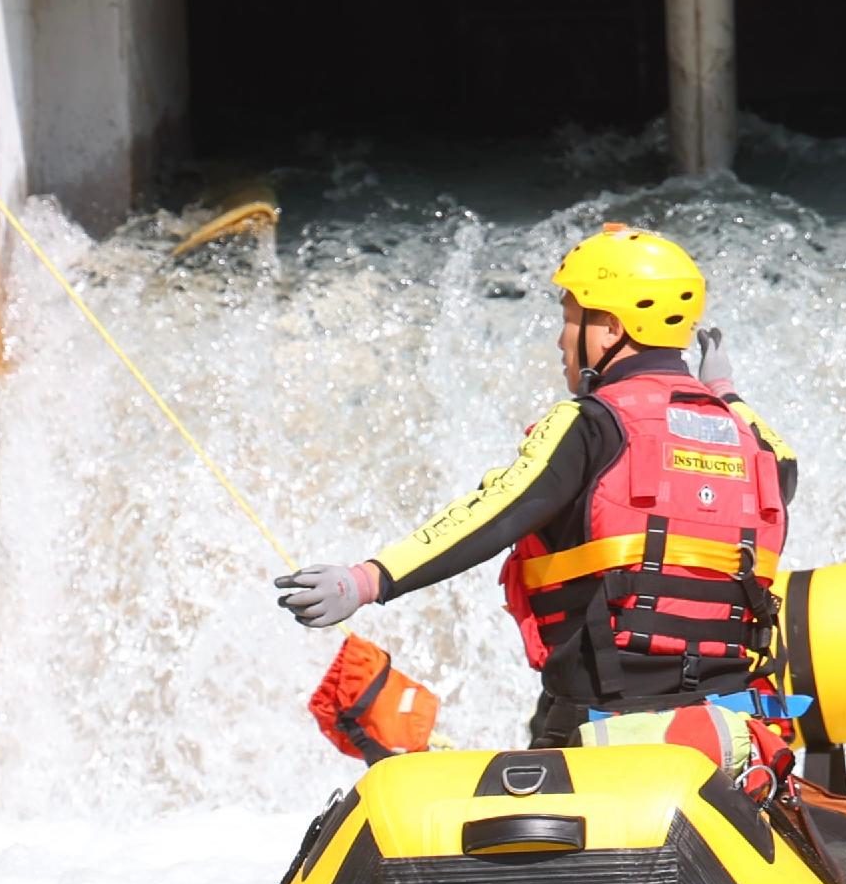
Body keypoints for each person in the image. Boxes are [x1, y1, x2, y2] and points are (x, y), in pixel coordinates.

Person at [274, 225, 803, 750]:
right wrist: (725, 394)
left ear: (609, 329)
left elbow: (493, 512)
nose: (560, 339)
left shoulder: (589, 424)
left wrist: (368, 580)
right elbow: (783, 467)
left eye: (570, 318)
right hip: (724, 731)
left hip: (598, 723)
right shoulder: (751, 440)